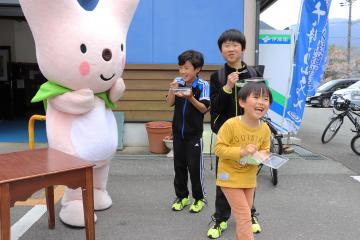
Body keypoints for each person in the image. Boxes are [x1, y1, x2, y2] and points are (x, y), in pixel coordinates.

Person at [208, 29, 263, 239]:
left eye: (235, 45)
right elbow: (215, 107)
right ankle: (220, 218)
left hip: (250, 137)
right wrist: (228, 87)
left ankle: (250, 214)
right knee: (224, 179)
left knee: (249, 178)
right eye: (226, 46)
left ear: (243, 48)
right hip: (228, 139)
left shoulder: (254, 74)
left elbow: (261, 102)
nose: (231, 49)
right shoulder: (217, 76)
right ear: (221, 50)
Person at [215, 81, 272, 240]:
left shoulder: (265, 128)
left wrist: (262, 156)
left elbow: (265, 149)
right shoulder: (231, 124)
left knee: (243, 219)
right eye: (256, 97)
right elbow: (218, 149)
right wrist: (242, 151)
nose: (261, 102)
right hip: (229, 177)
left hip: (249, 179)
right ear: (242, 102)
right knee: (245, 217)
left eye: (266, 99)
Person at [166, 50, 210, 213]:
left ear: (197, 69)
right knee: (179, 167)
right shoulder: (178, 82)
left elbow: (204, 109)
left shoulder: (203, 86)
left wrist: (191, 97)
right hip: (178, 134)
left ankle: (199, 198)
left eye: (186, 68)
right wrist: (172, 89)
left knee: (194, 168)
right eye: (181, 68)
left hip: (193, 136)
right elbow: (169, 103)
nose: (182, 72)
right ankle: (182, 197)